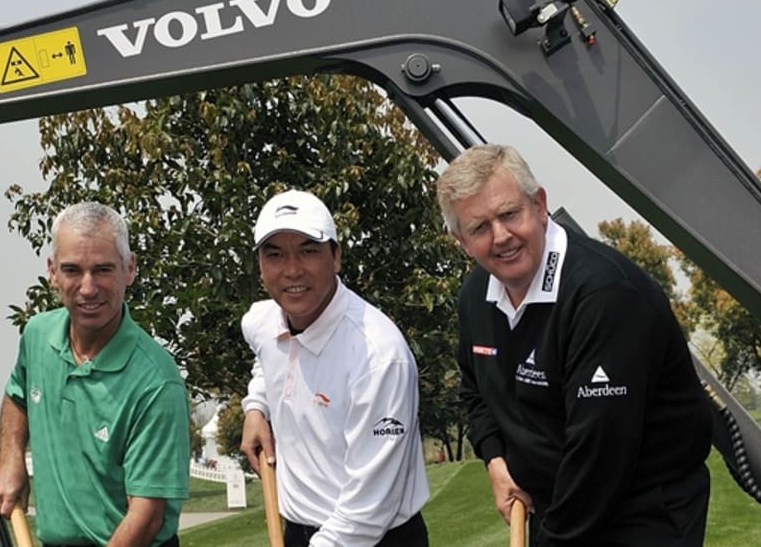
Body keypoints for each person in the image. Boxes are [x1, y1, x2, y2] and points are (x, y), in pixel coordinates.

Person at [436, 144, 714, 546]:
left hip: (643, 511)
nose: (501, 237)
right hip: (558, 504)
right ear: (461, 241)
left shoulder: (603, 294)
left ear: (540, 205)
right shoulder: (475, 296)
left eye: (510, 214)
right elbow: (474, 391)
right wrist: (496, 461)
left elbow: (600, 454)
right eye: (479, 227)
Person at [0, 202, 190, 547]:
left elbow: (145, 517)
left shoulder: (156, 382)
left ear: (129, 269)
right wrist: (11, 457)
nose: (87, 287)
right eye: (72, 270)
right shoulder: (37, 336)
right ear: (52, 271)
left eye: (103, 270)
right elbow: (18, 395)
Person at [239, 189, 430, 547]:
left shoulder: (378, 356)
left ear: (336, 256)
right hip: (299, 530)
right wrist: (256, 407)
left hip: (377, 536)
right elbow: (267, 357)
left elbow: (369, 508)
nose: (292, 269)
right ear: (260, 265)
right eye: (275, 254)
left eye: (309, 250)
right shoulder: (260, 321)